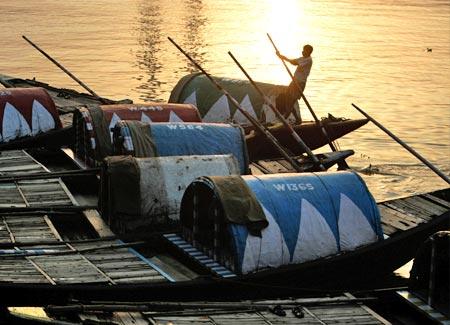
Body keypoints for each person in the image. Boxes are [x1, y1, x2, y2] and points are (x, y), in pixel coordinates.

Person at [275, 44, 313, 122]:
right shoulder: (302, 58)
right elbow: (292, 61)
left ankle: (284, 120)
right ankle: (297, 119)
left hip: (299, 83)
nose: (302, 51)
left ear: (308, 52)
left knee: (291, 101)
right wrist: (280, 56)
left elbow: (296, 63)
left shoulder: (308, 60)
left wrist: (287, 59)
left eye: (304, 50)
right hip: (294, 82)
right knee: (287, 99)